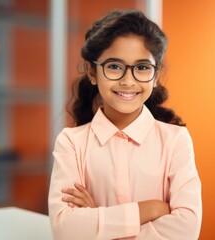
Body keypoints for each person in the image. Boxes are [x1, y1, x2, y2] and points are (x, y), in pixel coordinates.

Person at [48, 9, 202, 240]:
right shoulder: (71, 142)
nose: (128, 81)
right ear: (92, 72)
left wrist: (96, 219)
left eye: (141, 68)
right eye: (114, 66)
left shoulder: (175, 140)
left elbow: (187, 229)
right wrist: (148, 209)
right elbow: (64, 229)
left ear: (155, 75)